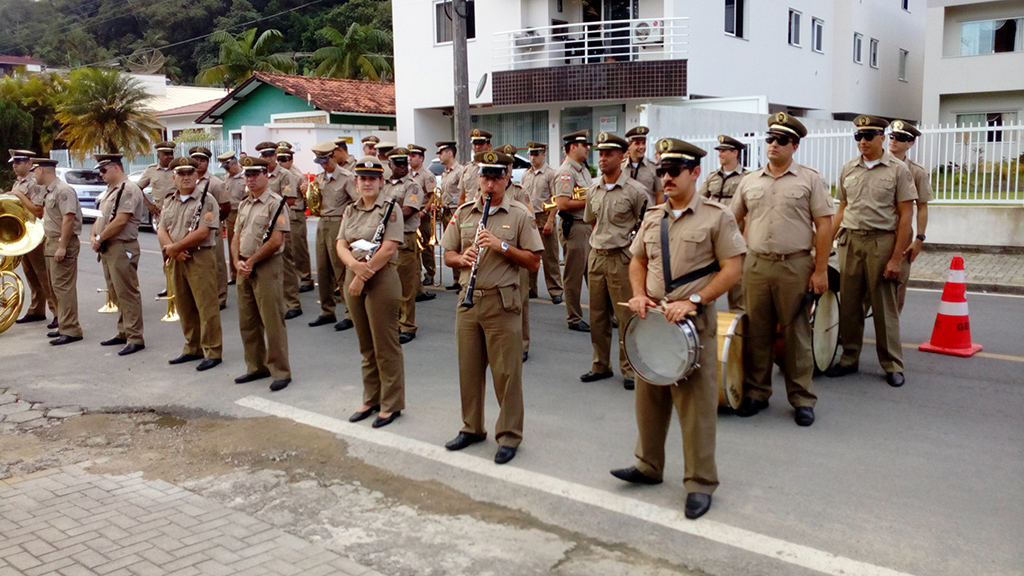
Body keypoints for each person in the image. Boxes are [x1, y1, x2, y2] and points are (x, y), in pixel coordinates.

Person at [611, 137, 745, 520]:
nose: (666, 178)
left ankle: (700, 483)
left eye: (674, 171)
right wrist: (638, 294)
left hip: (692, 324)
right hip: (652, 322)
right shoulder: (654, 217)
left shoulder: (717, 217)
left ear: (695, 172)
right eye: (662, 171)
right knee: (648, 402)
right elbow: (637, 260)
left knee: (696, 410)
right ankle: (648, 466)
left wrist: (696, 301)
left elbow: (732, 269)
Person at [730, 113, 834, 426]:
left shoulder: (809, 179)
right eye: (770, 139)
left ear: (795, 145)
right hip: (758, 264)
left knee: (797, 335)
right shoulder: (749, 181)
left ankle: (802, 398)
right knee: (757, 333)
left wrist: (820, 269)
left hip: (796, 265)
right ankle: (757, 394)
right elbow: (731, 220)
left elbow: (825, 225)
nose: (773, 145)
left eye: (781, 140)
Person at [441, 150, 543, 465]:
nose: (490, 183)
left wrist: (500, 246)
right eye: (486, 176)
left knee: (506, 374)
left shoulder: (520, 214)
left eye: (497, 176)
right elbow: (448, 255)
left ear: (507, 178)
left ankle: (509, 435)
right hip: (468, 301)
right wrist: (463, 258)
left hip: (502, 301)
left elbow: (534, 261)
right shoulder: (464, 212)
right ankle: (472, 427)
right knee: (468, 370)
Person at [825, 115, 916, 387]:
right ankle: (849, 359)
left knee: (883, 305)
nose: (862, 142)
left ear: (881, 137)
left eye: (868, 136)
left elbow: (906, 215)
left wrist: (897, 258)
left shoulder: (898, 170)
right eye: (858, 137)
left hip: (882, 242)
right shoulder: (848, 169)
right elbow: (842, 208)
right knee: (850, 305)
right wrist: (825, 243)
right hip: (850, 242)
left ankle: (892, 364)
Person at [336, 156, 406, 428]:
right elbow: (341, 243)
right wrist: (355, 267)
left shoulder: (390, 209)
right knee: (366, 346)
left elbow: (389, 248)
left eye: (372, 179)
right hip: (355, 277)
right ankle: (371, 398)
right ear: (356, 182)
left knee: (385, 346)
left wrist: (363, 276)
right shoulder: (351, 210)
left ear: (381, 182)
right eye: (362, 178)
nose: (367, 183)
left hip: (381, 280)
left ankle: (391, 404)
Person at [580, 132, 647, 390]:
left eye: (609, 154)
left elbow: (645, 228)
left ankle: (630, 368)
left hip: (622, 258)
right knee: (597, 316)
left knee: (626, 316)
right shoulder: (593, 190)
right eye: (601, 154)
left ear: (622, 156)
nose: (604, 158)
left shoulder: (636, 192)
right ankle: (600, 364)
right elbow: (592, 221)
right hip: (597, 256)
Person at [231, 156, 292, 392]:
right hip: (244, 267)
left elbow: (276, 241)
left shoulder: (276, 203)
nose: (251, 179)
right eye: (248, 175)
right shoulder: (245, 204)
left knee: (272, 320)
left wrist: (252, 261)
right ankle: (256, 366)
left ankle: (280, 371)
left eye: (256, 174)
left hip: (266, 266)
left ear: (266, 175)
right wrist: (237, 261)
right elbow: (236, 235)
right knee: (248, 320)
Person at [157, 157, 223, 371]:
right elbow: (161, 229)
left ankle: (212, 350)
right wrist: (171, 249)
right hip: (177, 257)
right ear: (174, 177)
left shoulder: (207, 199)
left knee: (206, 306)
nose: (186, 177)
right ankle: (192, 347)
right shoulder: (170, 199)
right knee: (184, 306)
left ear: (197, 176)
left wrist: (175, 248)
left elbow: (204, 231)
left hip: (200, 256)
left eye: (190, 173)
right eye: (181, 174)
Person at [91, 153, 146, 356]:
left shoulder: (128, 189)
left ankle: (135, 337)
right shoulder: (110, 190)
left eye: (104, 170)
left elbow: (121, 220)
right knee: (115, 291)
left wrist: (100, 237)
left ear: (115, 167)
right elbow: (101, 217)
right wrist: (94, 236)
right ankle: (123, 332)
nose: (101, 175)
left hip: (122, 246)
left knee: (127, 291)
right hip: (109, 246)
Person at [306, 141, 358, 331]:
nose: (323, 165)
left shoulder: (347, 177)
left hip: (339, 222)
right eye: (320, 161)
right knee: (322, 268)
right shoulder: (319, 178)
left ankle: (350, 313)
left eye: (326, 160)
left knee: (341, 270)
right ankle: (327, 310)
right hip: (322, 222)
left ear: (333, 157)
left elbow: (357, 202)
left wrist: (349, 226)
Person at [33, 158, 83, 346]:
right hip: (51, 242)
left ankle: (71, 329)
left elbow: (68, 218)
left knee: (63, 288)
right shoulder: (51, 190)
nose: (33, 175)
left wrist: (62, 245)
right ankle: (63, 324)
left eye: (34, 170)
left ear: (41, 170)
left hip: (62, 243)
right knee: (55, 288)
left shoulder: (63, 190)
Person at [7, 149, 57, 327]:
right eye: (13, 163)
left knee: (44, 275)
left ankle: (57, 312)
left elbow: (38, 210)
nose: (14, 166)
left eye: (19, 163)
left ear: (30, 164)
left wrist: (19, 195)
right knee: (31, 274)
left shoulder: (34, 183)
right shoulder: (19, 182)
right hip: (23, 234)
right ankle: (37, 309)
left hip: (35, 234)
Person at [699, 135, 749, 312]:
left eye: (724, 151)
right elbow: (700, 201)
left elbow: (750, 210)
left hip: (734, 234)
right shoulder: (712, 177)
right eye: (719, 151)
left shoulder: (747, 178)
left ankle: (738, 332)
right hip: (712, 234)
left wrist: (745, 236)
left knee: (738, 286)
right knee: (705, 283)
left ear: (735, 152)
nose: (720, 154)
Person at [887, 120, 932, 313]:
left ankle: (890, 336)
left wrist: (919, 239)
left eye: (900, 138)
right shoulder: (873, 164)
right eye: (892, 136)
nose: (894, 141)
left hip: (901, 233)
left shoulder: (916, 171)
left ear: (910, 143)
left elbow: (922, 207)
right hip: (875, 231)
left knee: (897, 289)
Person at [384, 147, 426, 344]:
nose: (402, 167)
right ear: (390, 165)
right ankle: (393, 323)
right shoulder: (383, 184)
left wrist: (382, 217)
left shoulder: (413, 185)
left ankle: (407, 325)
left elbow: (408, 210)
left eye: (404, 163)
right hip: (386, 238)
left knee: (405, 287)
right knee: (388, 284)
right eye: (398, 164)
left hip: (404, 238)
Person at [256, 141, 303, 319]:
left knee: (286, 263)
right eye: (264, 156)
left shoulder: (285, 175)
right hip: (261, 225)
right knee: (267, 265)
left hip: (280, 224)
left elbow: (290, 200)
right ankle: (273, 302)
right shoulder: (258, 173)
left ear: (276, 156)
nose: (268, 159)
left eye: (270, 155)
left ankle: (293, 303)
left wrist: (269, 206)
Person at [554, 129, 593, 332]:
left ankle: (602, 315)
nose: (587, 148)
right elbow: (562, 203)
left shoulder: (582, 169)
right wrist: (592, 199)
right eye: (583, 145)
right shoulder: (566, 172)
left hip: (587, 227)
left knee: (593, 275)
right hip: (576, 227)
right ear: (572, 147)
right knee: (574, 275)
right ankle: (574, 317)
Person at [497, 144, 533, 361]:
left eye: (510, 165)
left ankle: (522, 344)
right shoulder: (486, 190)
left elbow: (529, 224)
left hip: (516, 253)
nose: (508, 169)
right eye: (504, 165)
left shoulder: (520, 193)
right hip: (494, 256)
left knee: (520, 301)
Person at [520, 142, 563, 303]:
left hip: (545, 216)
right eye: (531, 154)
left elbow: (556, 198)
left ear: (543, 154)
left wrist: (551, 220)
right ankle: (531, 288)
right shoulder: (526, 174)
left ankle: (555, 290)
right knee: (530, 254)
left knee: (550, 256)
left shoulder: (551, 173)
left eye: (536, 154)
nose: (532, 157)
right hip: (530, 217)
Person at [190, 146, 231, 309]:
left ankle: (220, 297)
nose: (199, 163)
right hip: (194, 229)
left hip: (212, 227)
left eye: (203, 160)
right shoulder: (188, 180)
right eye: (196, 160)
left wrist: (215, 222)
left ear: (208, 162)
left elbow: (225, 207)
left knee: (217, 262)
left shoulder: (215, 183)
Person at [277, 144, 314, 294]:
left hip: (294, 213)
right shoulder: (277, 174)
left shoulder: (297, 176)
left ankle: (305, 278)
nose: (280, 162)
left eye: (284, 159)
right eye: (278, 159)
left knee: (299, 249)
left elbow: (307, 199)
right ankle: (288, 278)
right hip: (281, 214)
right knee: (284, 250)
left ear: (291, 160)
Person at [436, 141, 463, 291]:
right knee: (450, 245)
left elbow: (462, 194)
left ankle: (462, 279)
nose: (439, 156)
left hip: (456, 210)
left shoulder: (460, 171)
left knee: (459, 244)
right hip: (446, 210)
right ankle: (456, 279)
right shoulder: (445, 172)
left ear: (450, 153)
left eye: (441, 152)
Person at [217, 151, 247, 285]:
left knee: (246, 244)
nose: (226, 170)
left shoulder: (246, 177)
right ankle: (234, 274)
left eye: (227, 167)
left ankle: (246, 270)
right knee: (231, 245)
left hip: (243, 214)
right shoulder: (225, 178)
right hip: (230, 214)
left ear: (234, 163)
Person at [622, 126, 663, 206]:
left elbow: (660, 193)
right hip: (626, 216)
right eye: (637, 143)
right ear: (629, 146)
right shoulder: (621, 167)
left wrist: (657, 216)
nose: (641, 147)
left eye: (643, 143)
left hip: (647, 216)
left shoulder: (654, 166)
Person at [138, 141, 176, 219]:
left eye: (171, 154)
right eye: (166, 154)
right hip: (160, 212)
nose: (170, 156)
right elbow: (137, 189)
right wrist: (149, 205)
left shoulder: (179, 170)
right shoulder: (151, 170)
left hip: (178, 211)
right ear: (158, 156)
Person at [456, 129, 492, 204]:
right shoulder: (467, 168)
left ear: (489, 146)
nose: (477, 147)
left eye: (481, 144)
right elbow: (462, 196)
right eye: (475, 144)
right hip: (470, 210)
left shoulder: (493, 167)